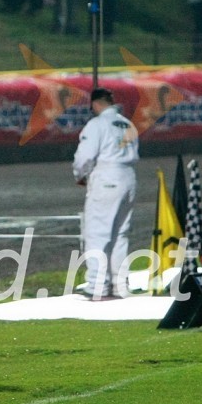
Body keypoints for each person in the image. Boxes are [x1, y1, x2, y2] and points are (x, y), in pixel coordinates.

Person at [72, 88, 139, 299]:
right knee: (120, 234)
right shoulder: (128, 123)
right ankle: (120, 285)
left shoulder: (96, 124)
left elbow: (84, 157)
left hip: (106, 176)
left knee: (97, 233)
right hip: (128, 177)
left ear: (95, 104)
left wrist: (80, 175)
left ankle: (97, 286)